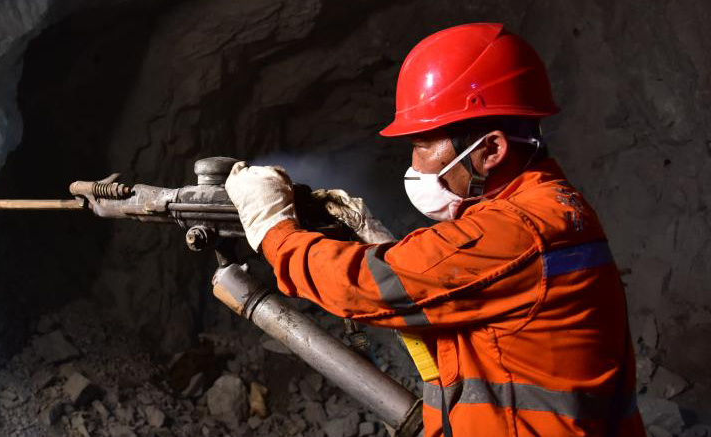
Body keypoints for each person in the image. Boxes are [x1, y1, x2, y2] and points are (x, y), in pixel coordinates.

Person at [224, 23, 645, 436]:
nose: (415, 165)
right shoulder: (551, 207)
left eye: (423, 145)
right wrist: (385, 251)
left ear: (491, 149)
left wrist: (274, 229)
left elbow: (361, 287)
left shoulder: (518, 230)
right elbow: (483, 336)